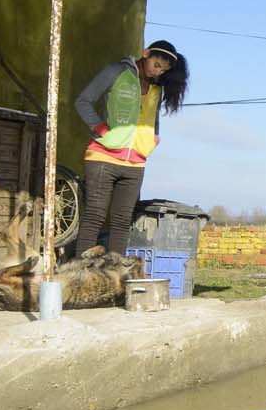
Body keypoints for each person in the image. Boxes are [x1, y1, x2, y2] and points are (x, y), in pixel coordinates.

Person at [72, 40, 189, 256]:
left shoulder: (156, 88)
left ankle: (116, 276)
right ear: (146, 54)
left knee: (122, 221)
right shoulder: (116, 72)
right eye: (156, 64)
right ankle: (80, 274)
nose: (157, 71)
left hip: (135, 162)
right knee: (95, 216)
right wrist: (100, 129)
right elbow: (83, 101)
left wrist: (152, 139)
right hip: (103, 157)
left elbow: (153, 119)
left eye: (163, 70)